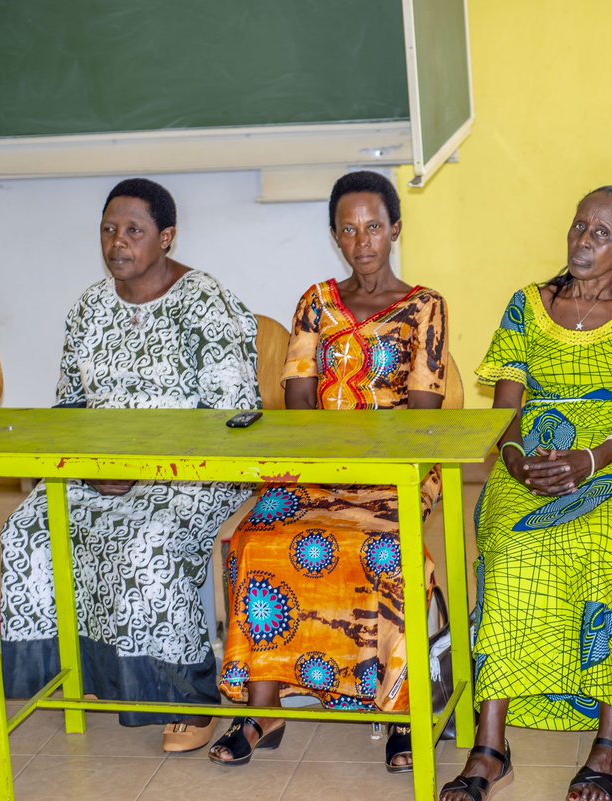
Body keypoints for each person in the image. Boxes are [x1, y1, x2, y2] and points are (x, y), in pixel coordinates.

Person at [439, 187, 612, 801]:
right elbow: (506, 408)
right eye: (578, 226)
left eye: (601, 233)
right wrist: (513, 458)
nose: (583, 239)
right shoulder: (528, 304)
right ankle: (490, 744)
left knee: (602, 545)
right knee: (508, 554)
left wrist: (591, 458)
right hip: (530, 459)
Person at [0, 178, 259, 753]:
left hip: (196, 467)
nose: (118, 242)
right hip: (97, 468)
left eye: (134, 231)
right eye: (109, 229)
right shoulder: (90, 306)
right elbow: (69, 407)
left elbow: (232, 414)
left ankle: (187, 699)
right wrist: (91, 468)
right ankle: (86, 673)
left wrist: (144, 469)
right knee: (27, 530)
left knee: (147, 539)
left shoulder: (204, 302)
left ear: (165, 237)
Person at [214, 170, 447, 773]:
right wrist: (326, 461)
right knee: (256, 539)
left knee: (384, 553)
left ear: (396, 228)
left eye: (374, 226)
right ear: (335, 237)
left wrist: (363, 459)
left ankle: (401, 710)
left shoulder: (425, 307)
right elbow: (298, 407)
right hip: (315, 469)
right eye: (348, 229)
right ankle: (264, 707)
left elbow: (421, 421)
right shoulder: (315, 303)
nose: (362, 239)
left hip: (396, 471)